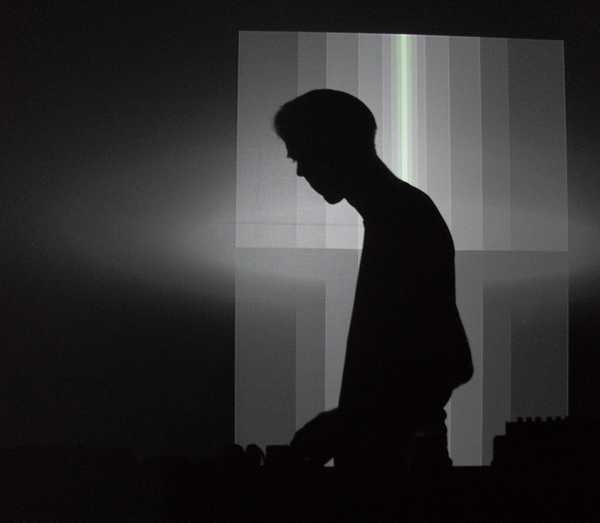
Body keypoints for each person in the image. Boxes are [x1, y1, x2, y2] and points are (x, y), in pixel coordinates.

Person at [273, 89, 473, 474]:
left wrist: (344, 424)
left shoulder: (403, 222)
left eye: (300, 154)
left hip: (401, 474)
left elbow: (450, 363)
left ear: (331, 145)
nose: (299, 170)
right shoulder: (401, 216)